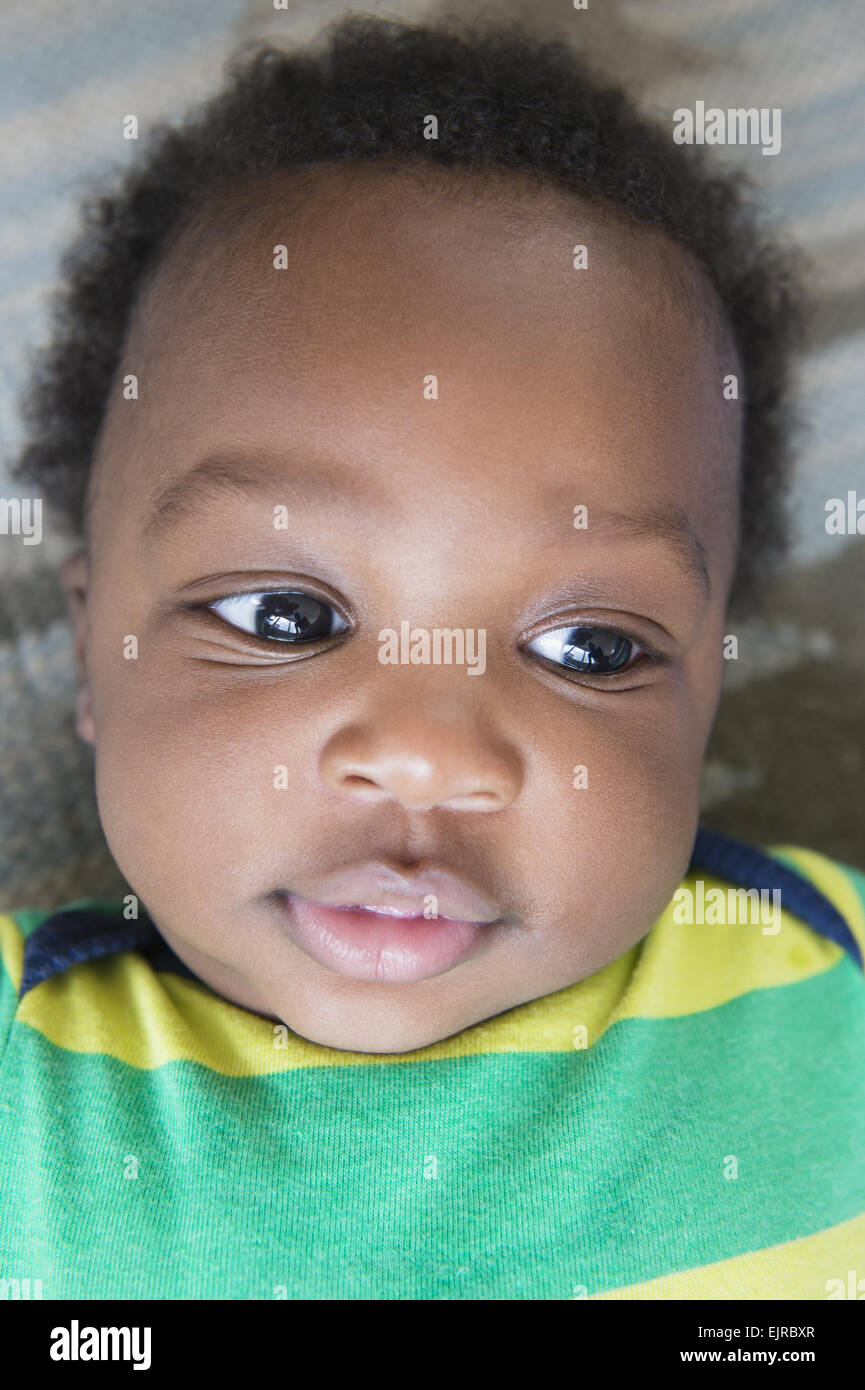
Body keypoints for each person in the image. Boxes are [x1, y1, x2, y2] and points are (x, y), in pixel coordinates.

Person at [2, 14, 863, 1300]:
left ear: (706, 697)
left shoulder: (821, 962)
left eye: (589, 645)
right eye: (284, 619)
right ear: (88, 648)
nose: (426, 754)